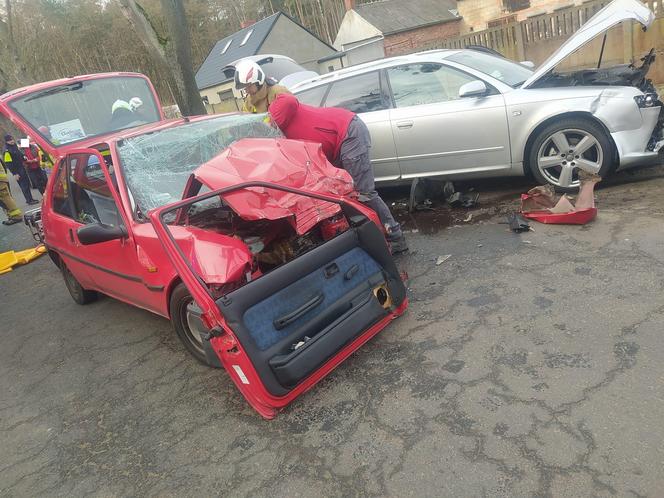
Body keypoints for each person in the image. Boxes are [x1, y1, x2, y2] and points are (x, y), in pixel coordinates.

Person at [268, 93, 408, 254]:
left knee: (363, 193)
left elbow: (288, 99)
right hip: (335, 144)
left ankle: (396, 237)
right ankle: (364, 239)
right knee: (342, 193)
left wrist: (271, 117)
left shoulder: (279, 115)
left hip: (348, 133)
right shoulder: (278, 141)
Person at [3, 134, 38, 205]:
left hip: (21, 167)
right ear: (7, 141)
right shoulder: (6, 150)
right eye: (10, 140)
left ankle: (30, 199)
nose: (12, 141)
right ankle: (29, 200)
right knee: (24, 186)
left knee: (27, 184)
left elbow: (19, 154)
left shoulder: (14, 146)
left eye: (12, 139)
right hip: (16, 170)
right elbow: (8, 163)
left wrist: (24, 157)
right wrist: (14, 173)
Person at [0, 158, 22, 225]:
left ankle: (16, 216)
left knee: (5, 198)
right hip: (2, 179)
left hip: (1, 181)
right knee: (3, 199)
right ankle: (11, 216)